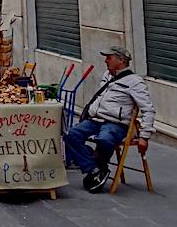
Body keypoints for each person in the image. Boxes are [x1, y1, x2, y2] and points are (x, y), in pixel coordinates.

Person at [63, 46, 156, 193]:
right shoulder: (107, 75)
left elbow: (148, 109)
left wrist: (145, 136)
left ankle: (97, 166)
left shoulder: (135, 82)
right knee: (70, 135)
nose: (106, 60)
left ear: (121, 60)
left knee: (104, 140)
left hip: (116, 124)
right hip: (96, 120)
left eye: (109, 57)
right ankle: (94, 168)